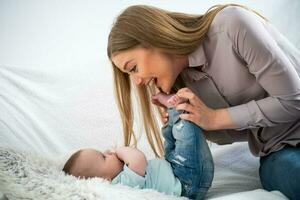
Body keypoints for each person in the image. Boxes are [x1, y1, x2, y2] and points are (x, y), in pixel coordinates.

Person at [107, 3, 300, 200]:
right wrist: (187, 123)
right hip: (279, 150)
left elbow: (294, 101)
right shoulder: (182, 84)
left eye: (133, 68)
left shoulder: (231, 24)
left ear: (153, 37)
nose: (137, 82)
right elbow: (245, 131)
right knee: (286, 175)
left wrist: (215, 118)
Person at [63, 92, 214, 199]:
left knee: (170, 137)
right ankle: (178, 109)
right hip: (188, 183)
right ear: (103, 181)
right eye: (103, 157)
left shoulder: (120, 177)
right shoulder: (120, 184)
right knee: (186, 136)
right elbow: (138, 159)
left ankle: (172, 113)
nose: (109, 152)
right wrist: (118, 150)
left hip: (174, 168)